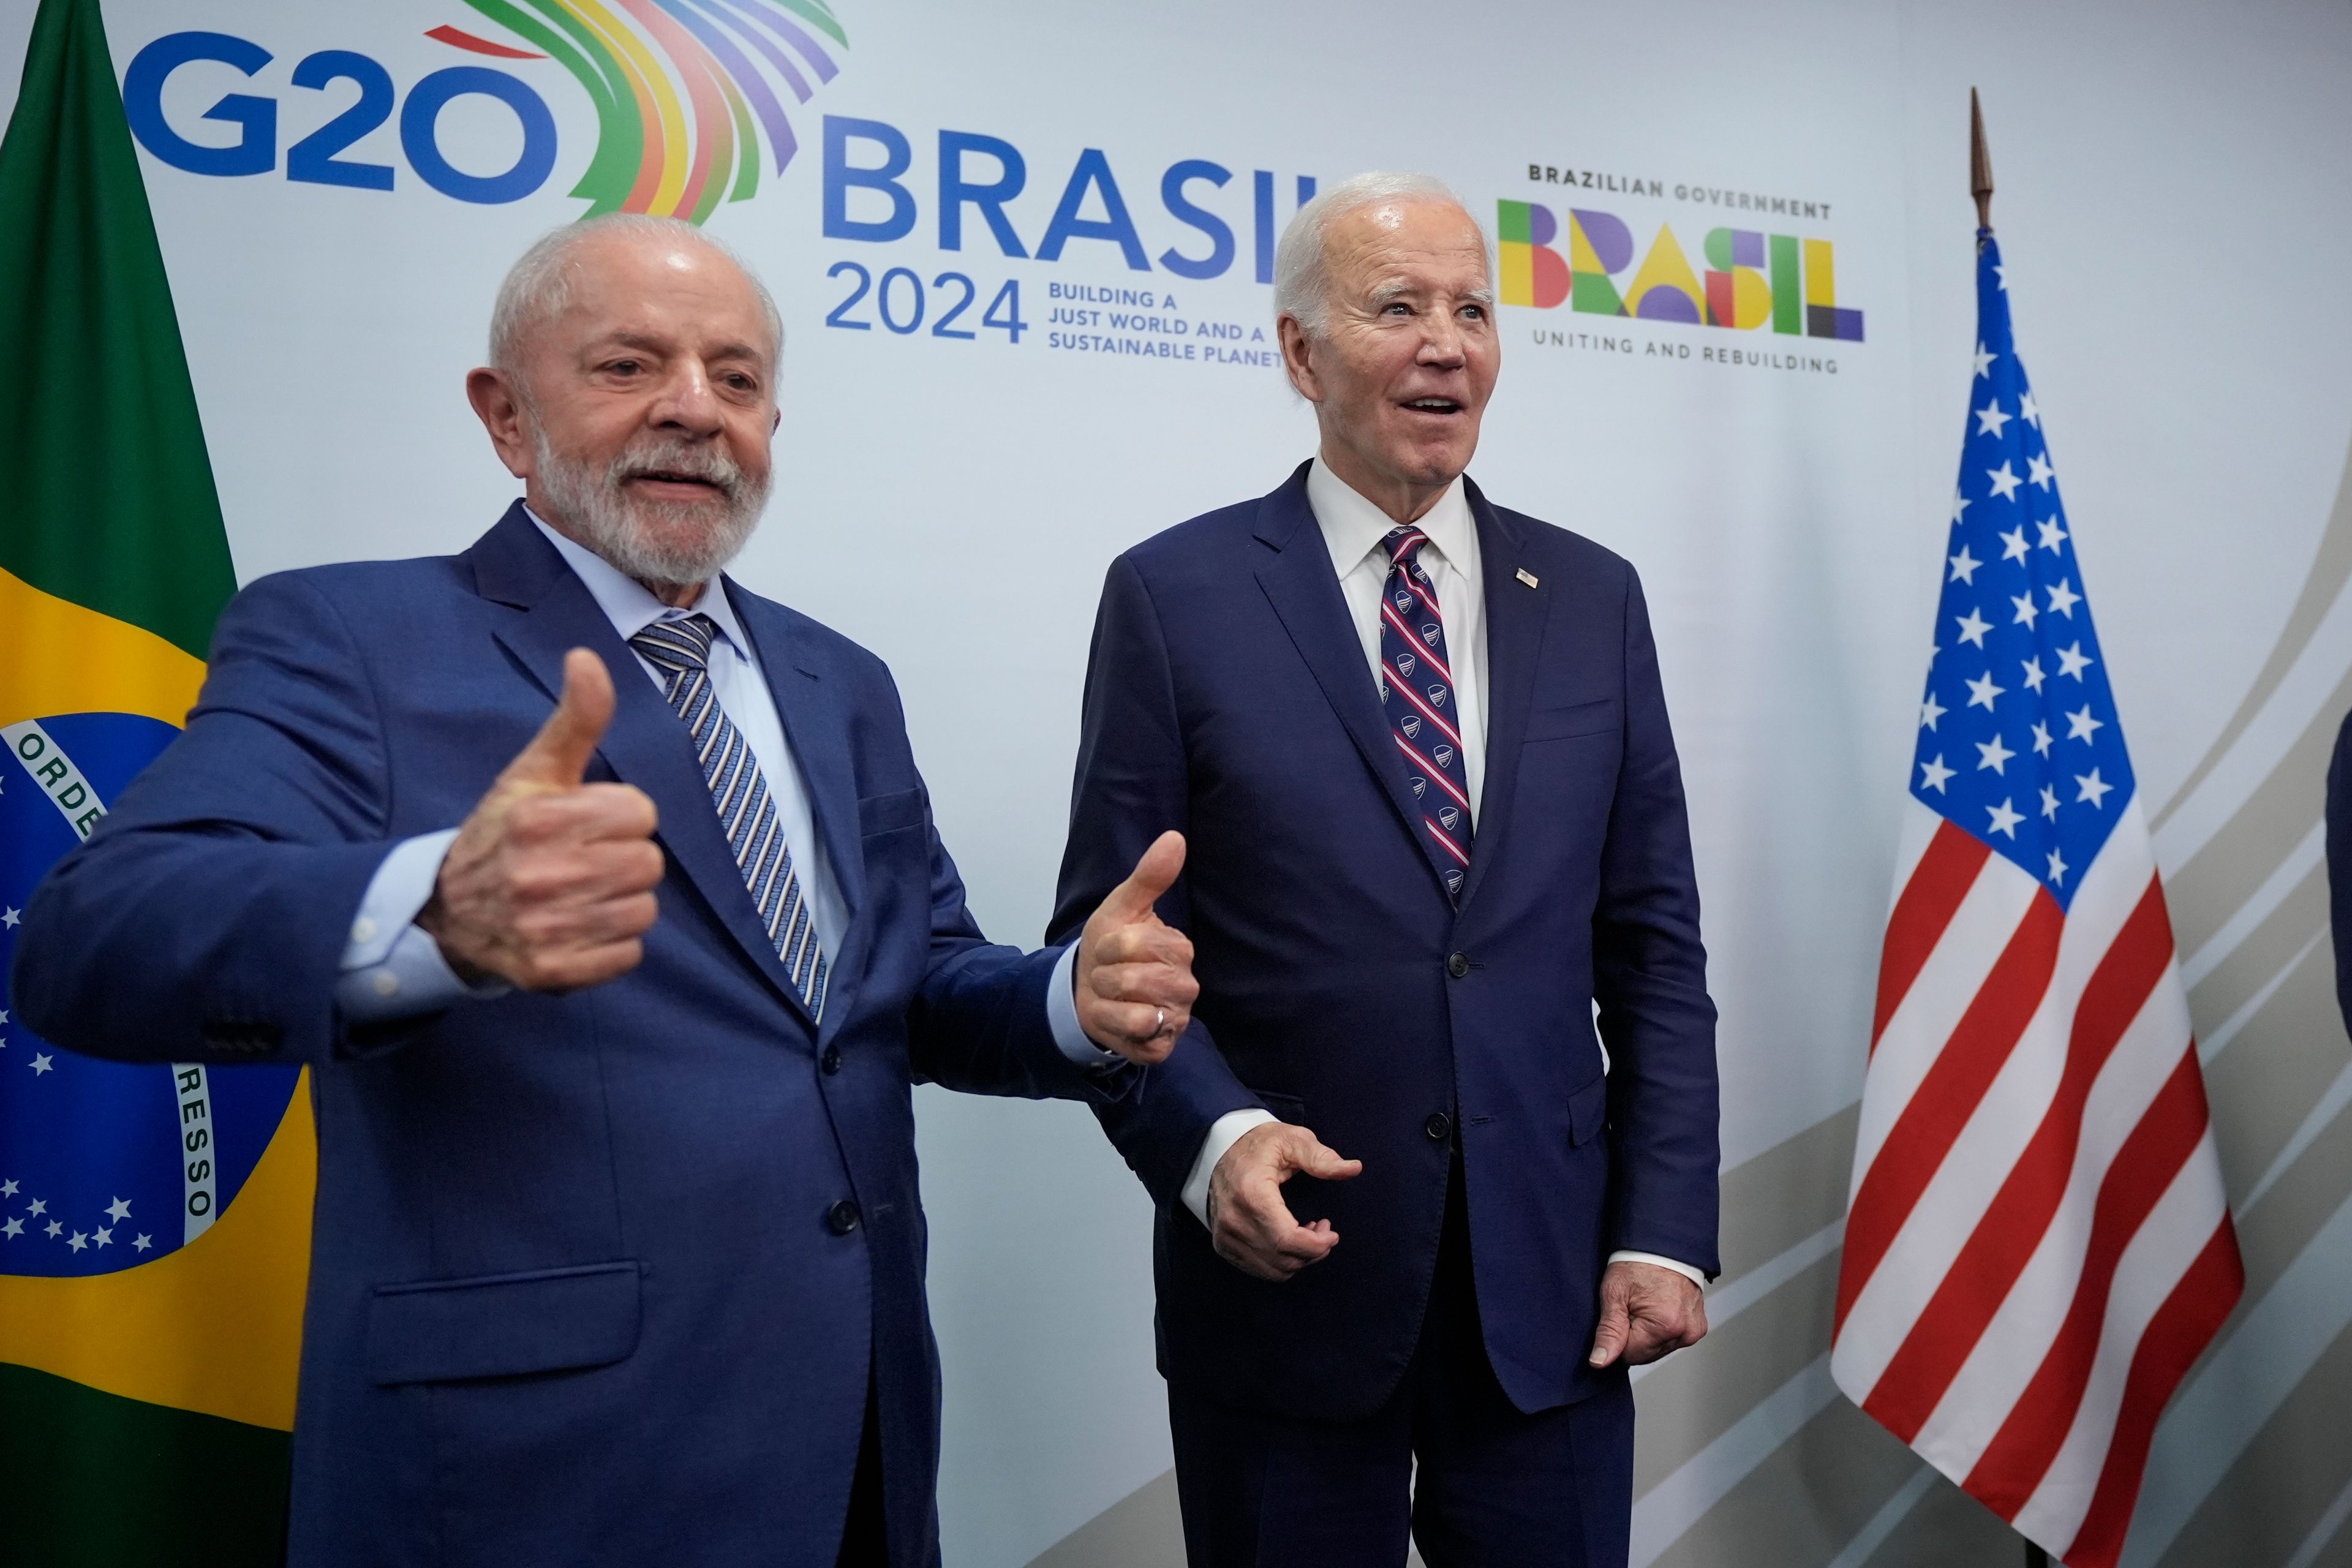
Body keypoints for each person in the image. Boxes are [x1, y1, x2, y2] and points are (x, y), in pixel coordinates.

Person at [12, 214, 1199, 1568]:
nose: (696, 408)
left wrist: (1065, 999)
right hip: (539, 1470)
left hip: (857, 1441)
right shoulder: (348, 636)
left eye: (737, 378)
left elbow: (903, 985)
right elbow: (90, 938)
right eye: (631, 365)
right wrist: (432, 912)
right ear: (505, 416)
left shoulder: (839, 679)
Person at [1056, 173, 1721, 1566]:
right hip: (1289, 1286)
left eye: (1473, 309)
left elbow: (1653, 947)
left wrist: (1662, 1224)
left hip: (1551, 1302)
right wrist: (1209, 1141)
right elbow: (1107, 952)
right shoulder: (1175, 597)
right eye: (1397, 306)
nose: (1447, 342)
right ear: (1299, 351)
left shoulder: (1594, 596)